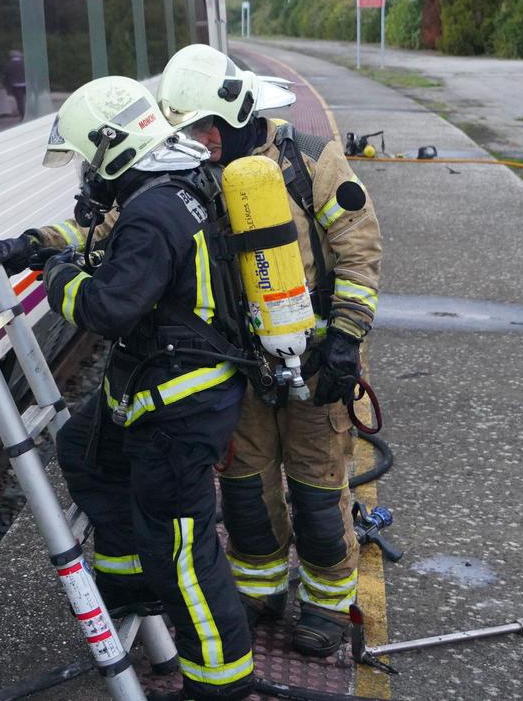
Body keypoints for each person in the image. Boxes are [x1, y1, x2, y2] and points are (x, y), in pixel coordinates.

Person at [23, 76, 258, 700]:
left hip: (180, 406)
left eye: (87, 159)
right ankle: (131, 583)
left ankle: (219, 683)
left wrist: (55, 277)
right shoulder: (167, 188)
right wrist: (38, 247)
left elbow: (107, 308)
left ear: (113, 149)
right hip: (161, 388)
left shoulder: (152, 210)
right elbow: (107, 247)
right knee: (84, 451)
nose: (86, 174)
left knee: (182, 549)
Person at [158, 46, 382, 658]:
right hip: (239, 360)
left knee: (314, 490)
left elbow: (359, 253)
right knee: (246, 488)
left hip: (316, 357)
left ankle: (327, 606)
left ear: (234, 115)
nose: (199, 142)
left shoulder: (312, 160)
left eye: (205, 128)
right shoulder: (189, 170)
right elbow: (125, 221)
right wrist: (46, 242)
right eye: (188, 129)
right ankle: (259, 591)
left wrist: (345, 339)